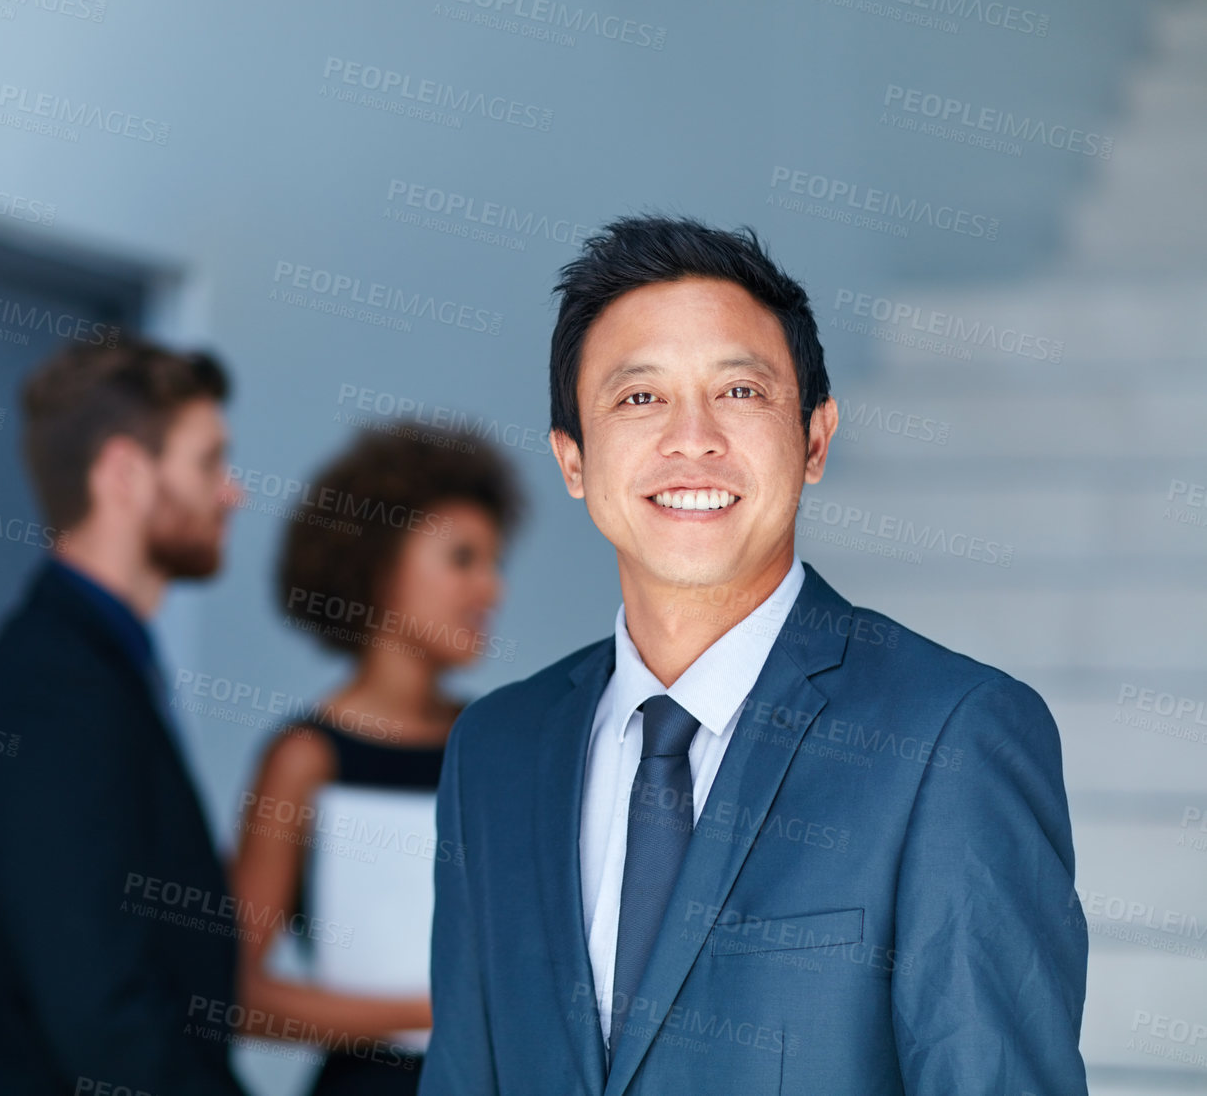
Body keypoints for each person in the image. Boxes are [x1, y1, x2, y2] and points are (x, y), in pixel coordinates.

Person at [420, 216, 1088, 1095]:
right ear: (572, 460)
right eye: (638, 397)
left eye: (740, 393)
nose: (691, 438)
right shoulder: (495, 749)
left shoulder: (949, 738)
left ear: (814, 439)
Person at [0, 339, 248, 1096]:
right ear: (125, 474)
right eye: (209, 462)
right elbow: (104, 1018)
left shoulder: (96, 668)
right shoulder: (46, 690)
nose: (233, 492)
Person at [232, 427, 522, 1095]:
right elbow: (237, 993)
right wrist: (432, 1011)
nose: (490, 590)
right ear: (379, 564)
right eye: (461, 559)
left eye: (494, 564)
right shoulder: (305, 759)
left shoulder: (495, 743)